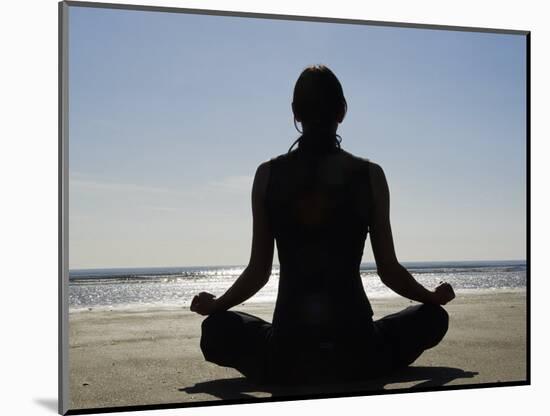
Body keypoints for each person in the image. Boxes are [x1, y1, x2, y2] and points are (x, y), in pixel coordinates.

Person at [190, 64, 455, 386]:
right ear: (342, 111)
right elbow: (389, 270)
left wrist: (216, 305)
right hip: (358, 350)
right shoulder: (370, 176)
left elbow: (258, 272)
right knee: (432, 318)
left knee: (216, 328)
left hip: (287, 352)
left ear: (295, 113)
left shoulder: (268, 176)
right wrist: (431, 297)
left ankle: (295, 367)